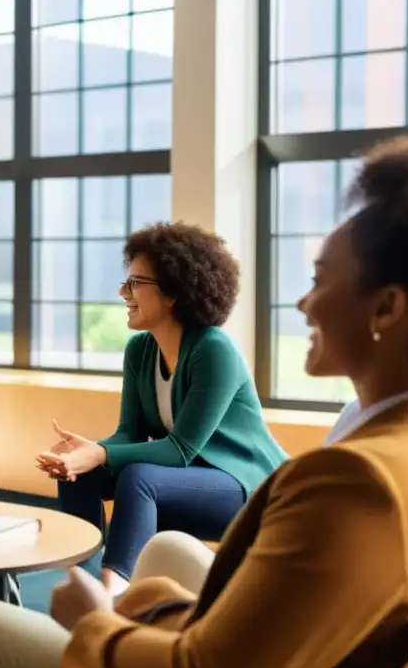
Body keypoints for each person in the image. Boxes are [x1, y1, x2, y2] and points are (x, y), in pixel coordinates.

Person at [0, 129, 408, 668]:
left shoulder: (354, 480)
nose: (304, 303)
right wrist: (157, 606)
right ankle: (108, 577)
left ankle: (105, 591)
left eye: (322, 278)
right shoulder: (406, 447)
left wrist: (98, 625)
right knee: (155, 551)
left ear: (386, 309)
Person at [36, 222, 287, 595]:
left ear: (173, 292)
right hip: (186, 480)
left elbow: (180, 449)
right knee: (79, 475)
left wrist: (100, 453)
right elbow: (130, 434)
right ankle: (83, 581)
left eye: (136, 283)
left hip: (245, 489)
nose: (123, 292)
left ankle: (113, 598)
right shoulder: (140, 351)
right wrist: (87, 455)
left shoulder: (214, 349)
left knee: (140, 477)